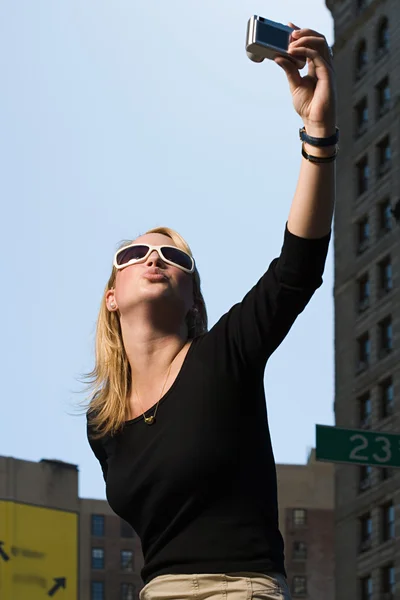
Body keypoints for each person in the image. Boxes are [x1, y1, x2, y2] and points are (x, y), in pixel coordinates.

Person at [87, 22, 337, 600]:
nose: (154, 256)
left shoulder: (224, 355)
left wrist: (318, 132)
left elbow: (297, 268)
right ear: (111, 296)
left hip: (240, 590)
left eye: (173, 255)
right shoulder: (103, 421)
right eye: (134, 253)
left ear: (194, 298)